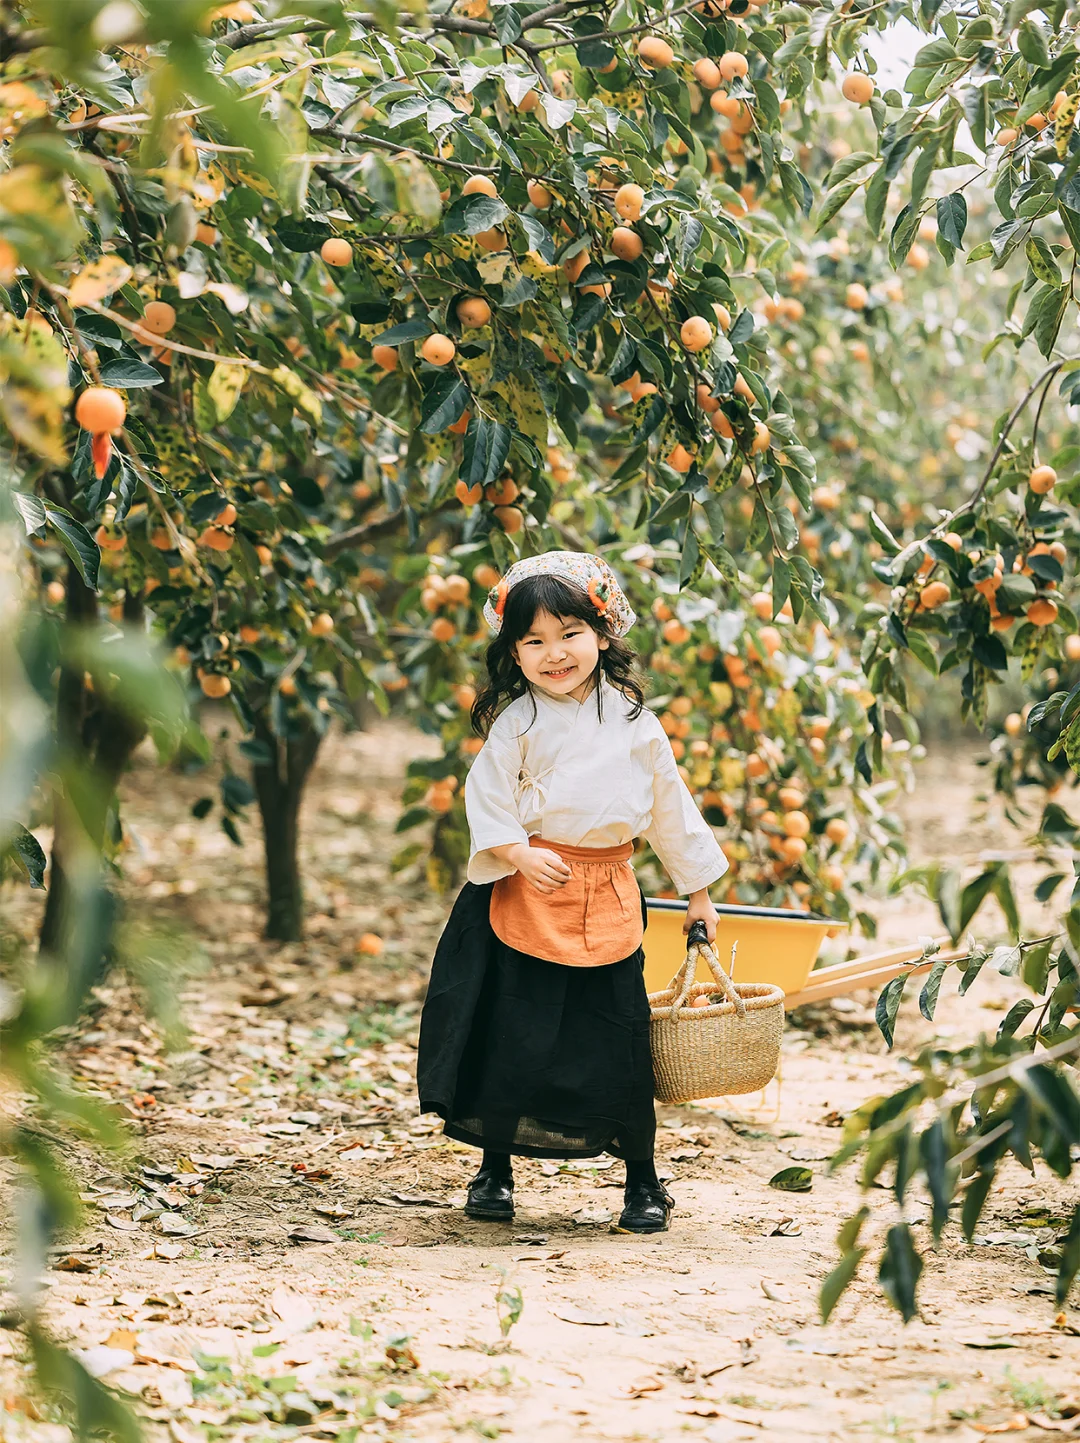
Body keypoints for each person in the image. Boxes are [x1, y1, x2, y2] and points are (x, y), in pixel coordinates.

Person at [416, 550, 728, 1233]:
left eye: (569, 634)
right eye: (534, 641)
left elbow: (670, 807)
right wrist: (518, 852)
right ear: (514, 652)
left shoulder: (635, 722)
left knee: (620, 1040)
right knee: (511, 1034)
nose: (554, 653)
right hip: (525, 890)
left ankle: (642, 1181)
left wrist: (697, 891)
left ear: (603, 632)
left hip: (609, 889)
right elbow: (487, 795)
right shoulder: (516, 723)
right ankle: (494, 1168)